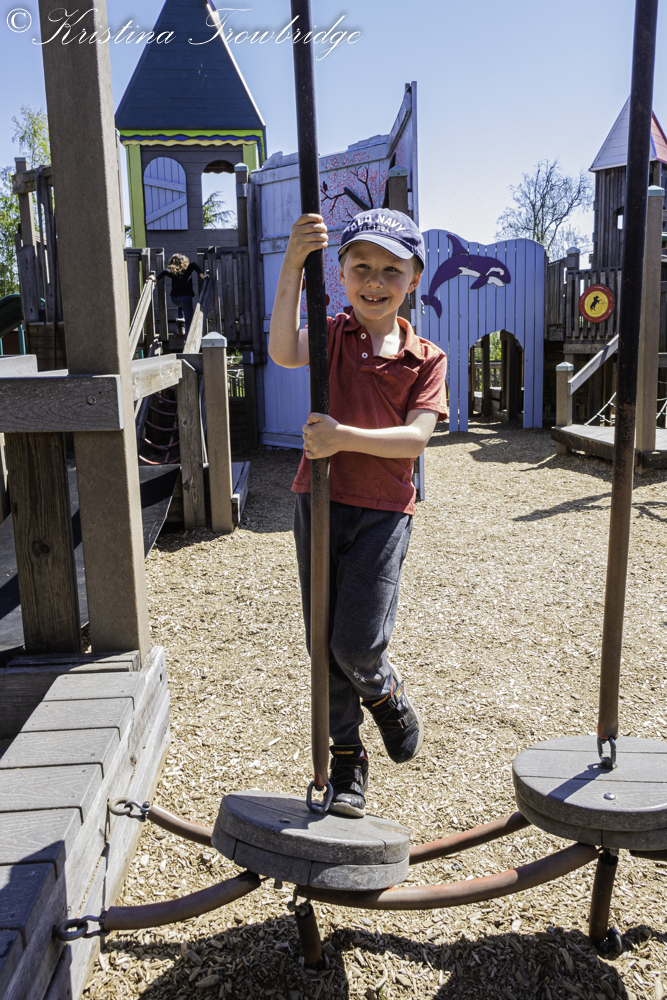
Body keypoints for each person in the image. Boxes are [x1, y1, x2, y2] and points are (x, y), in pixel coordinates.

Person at [269, 208, 448, 818]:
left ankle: (384, 690)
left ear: (414, 279)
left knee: (357, 642)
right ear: (341, 275)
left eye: (391, 270)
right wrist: (294, 262)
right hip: (318, 499)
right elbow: (281, 349)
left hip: (383, 511)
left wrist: (341, 436)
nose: (374, 281)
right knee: (321, 643)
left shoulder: (426, 357)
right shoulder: (331, 336)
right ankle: (347, 759)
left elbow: (416, 439)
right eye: (361, 267)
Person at [156, 254, 206, 335]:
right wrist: (202, 275)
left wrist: (155, 279)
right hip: (185, 298)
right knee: (188, 321)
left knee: (181, 305)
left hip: (175, 299)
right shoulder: (188, 269)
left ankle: (180, 328)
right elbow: (193, 264)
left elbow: (165, 271)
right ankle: (187, 340)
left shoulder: (172, 272)